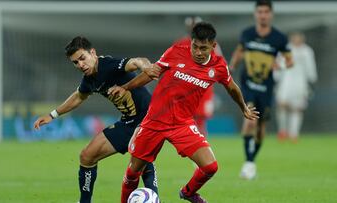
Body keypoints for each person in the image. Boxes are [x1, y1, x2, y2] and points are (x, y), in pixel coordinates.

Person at [109, 22, 259, 203]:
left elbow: (232, 87)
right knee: (133, 172)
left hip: (182, 123)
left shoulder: (218, 67)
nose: (197, 52)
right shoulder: (176, 51)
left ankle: (188, 193)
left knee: (210, 166)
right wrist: (125, 87)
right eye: (194, 46)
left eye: (203, 48)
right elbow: (151, 73)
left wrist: (243, 107)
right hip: (154, 121)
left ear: (213, 46)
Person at [33, 36, 160, 203]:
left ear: (92, 53)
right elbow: (79, 96)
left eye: (82, 58)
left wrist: (147, 67)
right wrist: (52, 115)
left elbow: (137, 61)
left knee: (140, 161)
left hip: (148, 120)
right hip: (128, 122)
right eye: (75, 62)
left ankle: (154, 197)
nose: (80, 65)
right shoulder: (89, 79)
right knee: (87, 157)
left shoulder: (108, 65)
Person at [229, 0, 293, 180]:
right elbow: (239, 51)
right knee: (250, 121)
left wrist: (279, 63)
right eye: (260, 12)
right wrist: (231, 66)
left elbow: (290, 61)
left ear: (270, 14)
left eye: (266, 12)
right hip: (248, 84)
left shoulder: (279, 38)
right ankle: (248, 162)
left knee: (261, 127)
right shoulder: (247, 34)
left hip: (266, 87)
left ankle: (251, 160)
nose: (263, 15)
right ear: (255, 14)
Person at [174, 16, 223, 135]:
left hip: (203, 89)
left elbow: (220, 66)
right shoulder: (180, 44)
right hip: (186, 89)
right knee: (186, 122)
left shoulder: (211, 45)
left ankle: (200, 149)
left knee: (200, 121)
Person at [275, 32, 317, 143]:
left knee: (297, 109)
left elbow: (310, 67)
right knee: (282, 105)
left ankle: (294, 133)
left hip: (300, 82)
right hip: (286, 81)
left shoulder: (307, 51)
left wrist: (311, 80)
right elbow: (279, 65)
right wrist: (277, 77)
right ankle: (283, 131)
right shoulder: (285, 49)